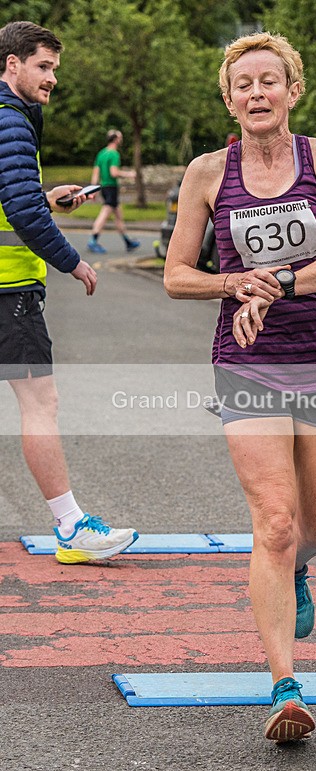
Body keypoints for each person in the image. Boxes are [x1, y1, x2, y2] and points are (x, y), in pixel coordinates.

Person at [164, 32, 316, 742]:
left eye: (268, 81)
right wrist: (230, 283)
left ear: (292, 90)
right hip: (246, 361)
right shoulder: (206, 173)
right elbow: (175, 274)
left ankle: (295, 569)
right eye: (242, 84)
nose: (256, 93)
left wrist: (276, 282)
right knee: (274, 524)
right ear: (228, 98)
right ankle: (285, 687)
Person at [0, 21, 138, 563]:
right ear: (12, 63)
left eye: (55, 68)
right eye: (44, 66)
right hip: (9, 287)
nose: (53, 77)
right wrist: (72, 261)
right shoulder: (10, 120)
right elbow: (21, 211)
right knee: (41, 404)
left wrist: (47, 196)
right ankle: (70, 528)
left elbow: (18, 195)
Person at [87, 129, 140, 254]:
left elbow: (96, 173)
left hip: (104, 188)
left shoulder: (101, 153)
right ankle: (92, 240)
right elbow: (114, 172)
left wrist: (92, 190)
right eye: (120, 137)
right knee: (105, 213)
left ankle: (128, 241)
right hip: (111, 187)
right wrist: (130, 174)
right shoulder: (114, 154)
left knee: (118, 216)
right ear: (116, 139)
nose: (121, 140)